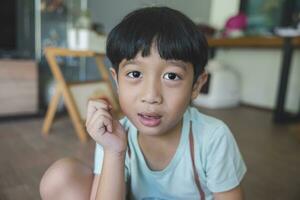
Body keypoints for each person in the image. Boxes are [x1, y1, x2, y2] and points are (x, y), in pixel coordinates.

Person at [40, 6, 246, 200]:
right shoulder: (113, 135)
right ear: (117, 80)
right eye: (135, 73)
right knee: (60, 177)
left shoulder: (212, 137)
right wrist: (114, 151)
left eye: (172, 76)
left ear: (196, 85)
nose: (151, 95)